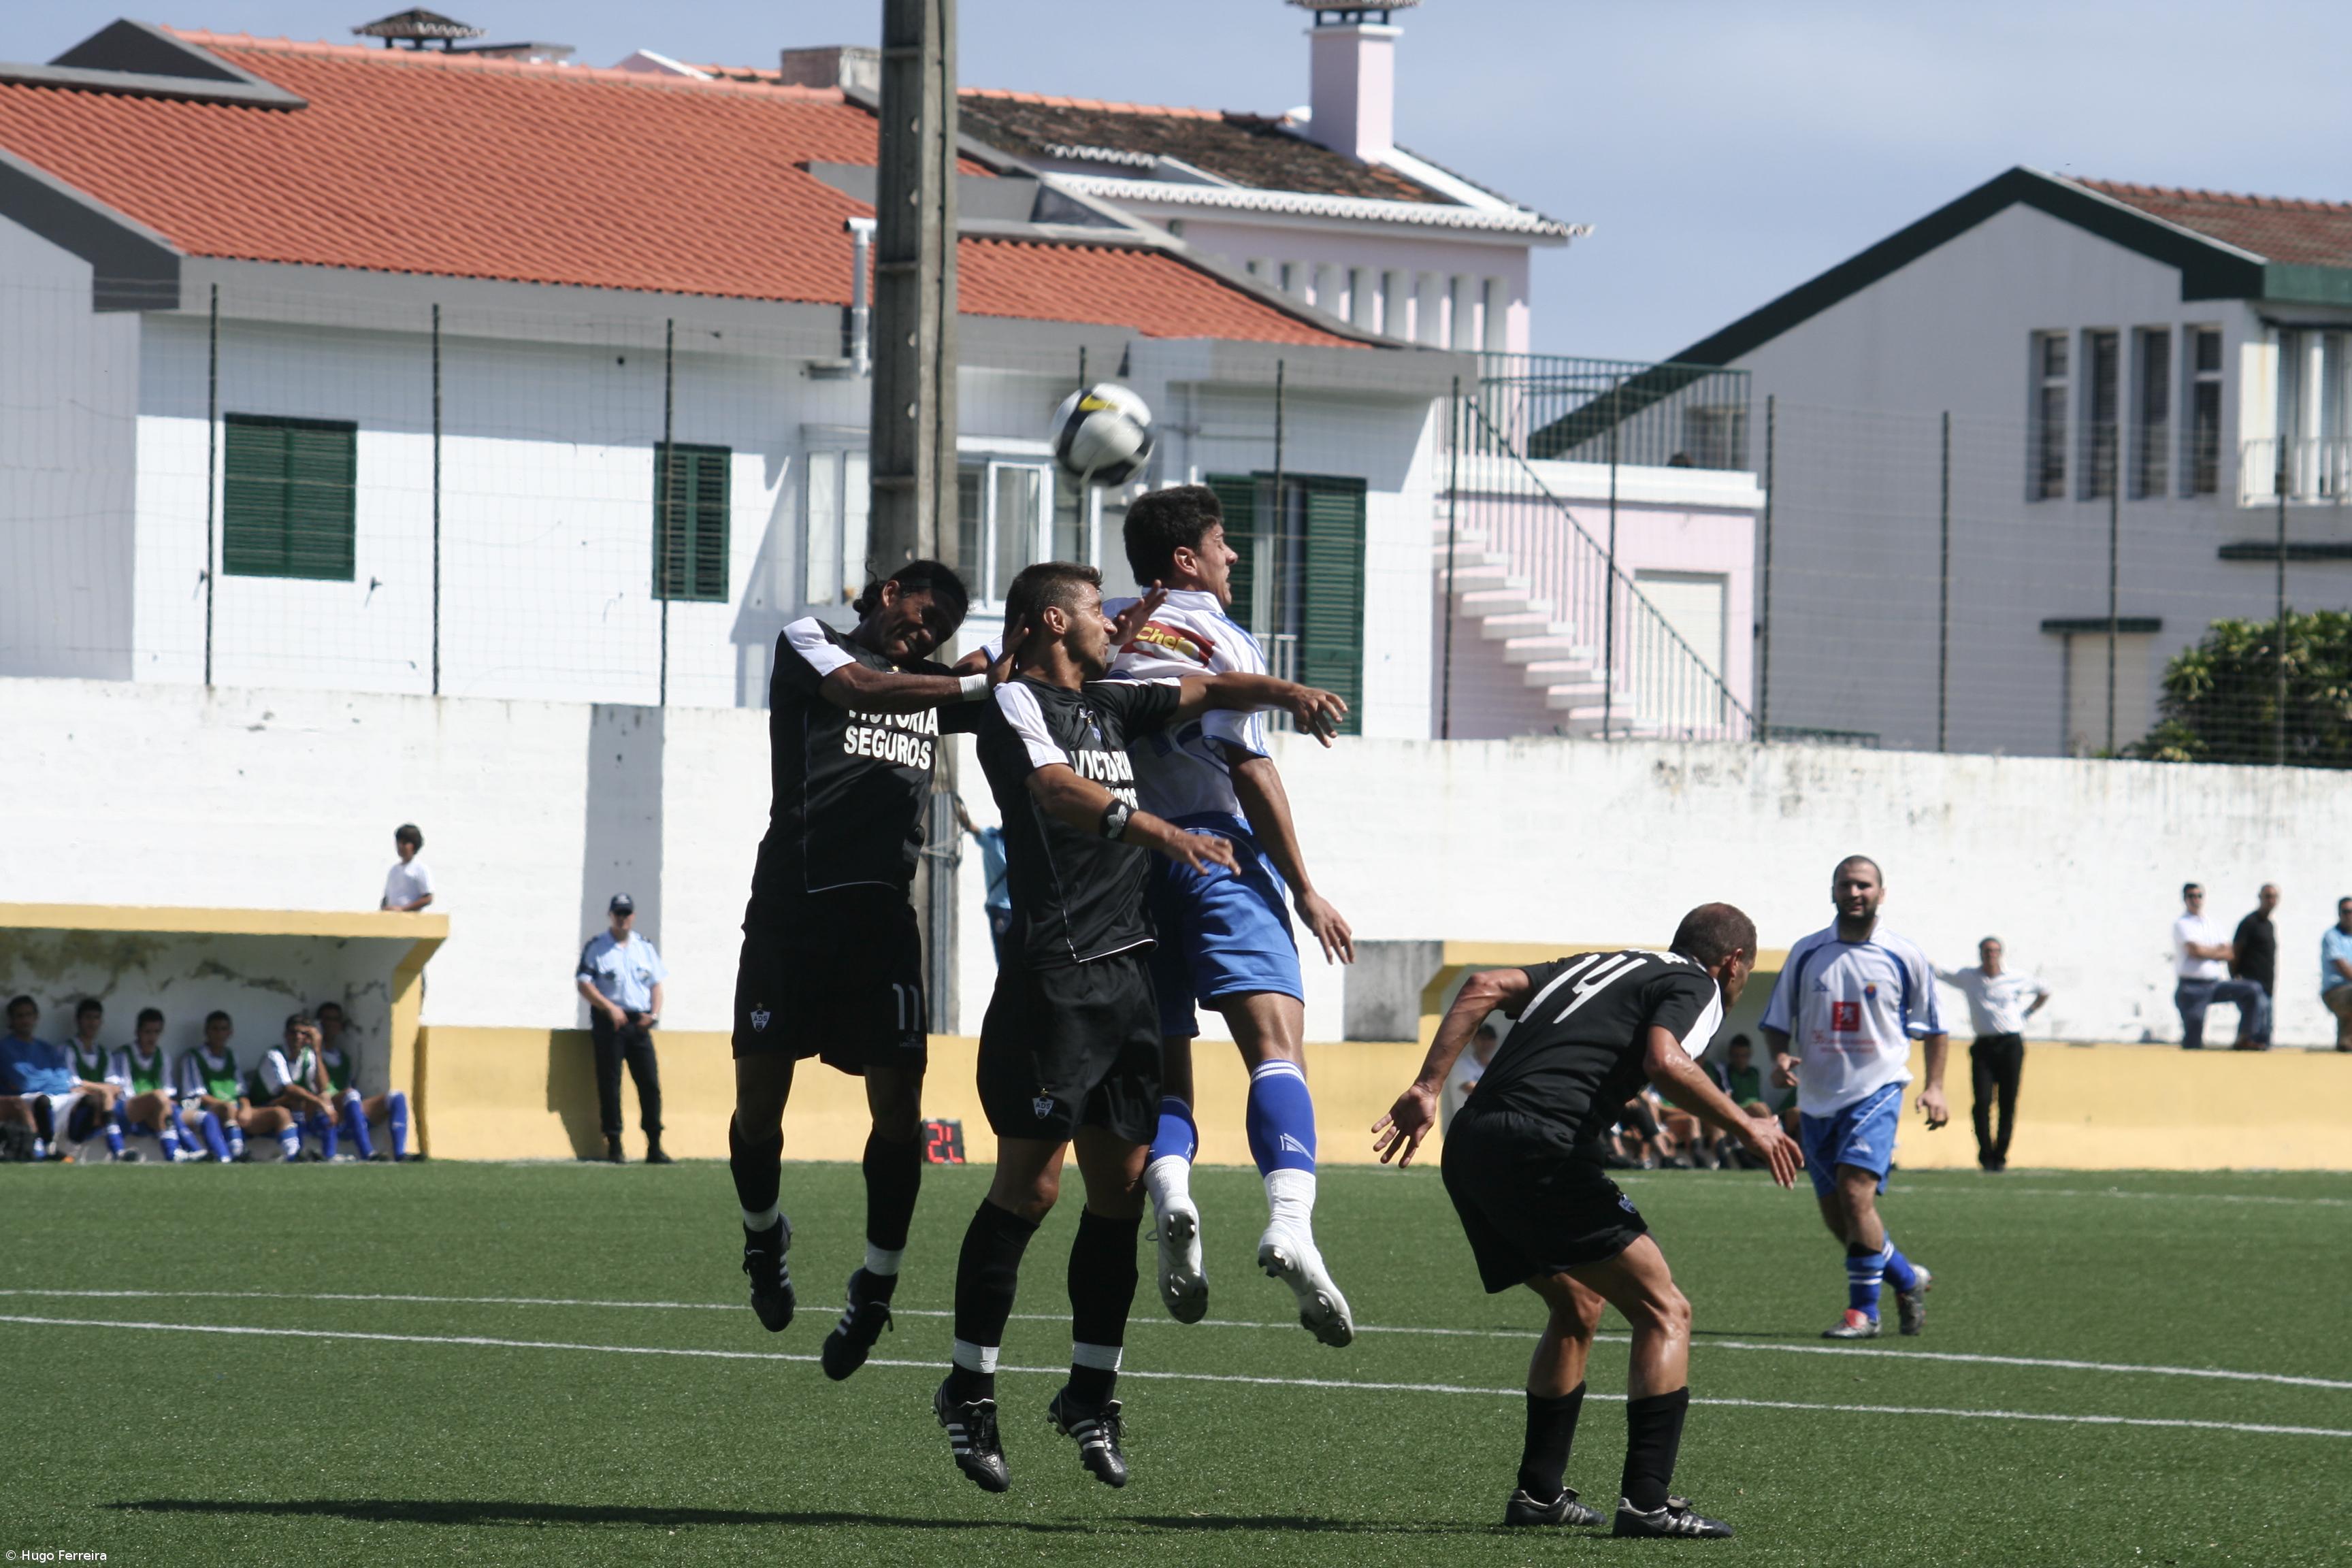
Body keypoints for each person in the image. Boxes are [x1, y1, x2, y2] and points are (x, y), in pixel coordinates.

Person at [935, 559, 1345, 1494]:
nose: (1109, 628)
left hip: (1127, 984)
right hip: (1055, 980)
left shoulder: (1116, 706)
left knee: (1120, 1196)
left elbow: (1205, 687)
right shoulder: (1016, 704)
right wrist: (1161, 831)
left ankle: (1090, 1393)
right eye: (1094, 616)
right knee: (1030, 1191)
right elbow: (1051, 792)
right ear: (1049, 623)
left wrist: (1285, 690)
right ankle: (968, 1389)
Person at [1373, 906, 1801, 1540]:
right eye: (1743, 976)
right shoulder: (1698, 983)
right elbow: (1664, 1059)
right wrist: (1749, 1124)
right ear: (1734, 963)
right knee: (1666, 1310)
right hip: (1541, 1145)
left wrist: (1428, 1086)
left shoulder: (1598, 965)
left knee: (1577, 1306)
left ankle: (1540, 1494)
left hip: (1472, 1144)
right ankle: (1649, 1505)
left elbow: (1481, 985)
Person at [728, 561, 1011, 1379]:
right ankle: (762, 1236)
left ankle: (876, 1289)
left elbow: (1016, 690)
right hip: (792, 912)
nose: (923, 637)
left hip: (883, 925)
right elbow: (859, 688)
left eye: (937, 635)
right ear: (889, 594)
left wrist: (1049, 653)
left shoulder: (929, 687)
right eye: (920, 618)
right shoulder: (810, 643)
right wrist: (962, 684)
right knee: (759, 1108)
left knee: (899, 1112)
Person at [1091, 485, 1358, 1345]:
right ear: (1187, 559)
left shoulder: (1111, 629)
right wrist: (1305, 884)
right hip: (1210, 850)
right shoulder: (1215, 633)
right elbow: (1247, 766)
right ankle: (1289, 1220)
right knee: (1275, 1050)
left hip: (1124, 864)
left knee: (1171, 1071)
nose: (1232, 556)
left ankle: (1173, 1195)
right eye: (1221, 542)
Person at [1760, 855, 1947, 1341]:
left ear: (1881, 893)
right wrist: (1780, 1060)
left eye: (1864, 885)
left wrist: (1935, 1086)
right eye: (1846, 884)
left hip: (1878, 1090)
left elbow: (1936, 1027)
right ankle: (1905, 1277)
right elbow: (1778, 1022)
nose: (1855, 892)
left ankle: (1864, 1313)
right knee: (1837, 1217)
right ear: (1833, 892)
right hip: (1818, 1098)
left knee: (1855, 1194)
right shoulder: (1806, 953)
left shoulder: (1905, 956)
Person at [1936, 937, 2050, 1172]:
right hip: (1984, 1046)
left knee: (2008, 1102)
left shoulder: (2015, 977)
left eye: (1995, 951)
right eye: (1987, 951)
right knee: (1983, 1101)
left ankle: (2001, 1155)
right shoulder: (1970, 977)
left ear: (2001, 954)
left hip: (2010, 1044)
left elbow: (2044, 990)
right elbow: (1941, 974)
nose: (1990, 956)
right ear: (1980, 954)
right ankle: (1985, 1155)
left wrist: (2026, 1014)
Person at [578, 895, 669, 1165]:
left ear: (633, 915)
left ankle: (654, 1144)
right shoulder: (598, 947)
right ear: (611, 915)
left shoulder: (644, 947)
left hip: (639, 1024)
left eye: (627, 913)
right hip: (610, 1023)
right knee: (611, 1084)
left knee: (650, 1084)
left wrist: (653, 1014)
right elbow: (584, 983)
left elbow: (657, 984)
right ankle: (615, 1143)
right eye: (618, 913)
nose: (623, 917)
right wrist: (609, 1008)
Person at [175, 1011, 300, 1163]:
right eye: (215, 1029)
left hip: (235, 1110)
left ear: (230, 1033)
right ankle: (237, 1153)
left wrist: (246, 1108)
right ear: (206, 1031)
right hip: (210, 1110)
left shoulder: (231, 1056)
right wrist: (229, 1107)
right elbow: (197, 1095)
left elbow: (241, 1092)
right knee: (228, 1109)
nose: (219, 1034)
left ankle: (294, 1155)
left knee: (281, 1113)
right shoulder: (193, 1057)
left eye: (223, 1029)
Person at [2172, 883, 2267, 1049]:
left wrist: (2206, 951)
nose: (2196, 900)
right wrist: (2216, 952)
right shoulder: (2182, 924)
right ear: (2185, 899)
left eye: (2199, 896)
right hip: (2192, 987)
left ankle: (2245, 1038)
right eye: (2191, 896)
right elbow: (2195, 951)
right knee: (2193, 1038)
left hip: (2214, 984)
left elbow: (2229, 953)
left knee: (2252, 990)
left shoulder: (2212, 924)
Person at [0, 995, 91, 1160]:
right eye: (20, 1016)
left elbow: (64, 1080)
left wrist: (43, 1080)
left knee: (88, 1100)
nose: (25, 1020)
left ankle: (73, 1146)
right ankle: (47, 1147)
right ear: (12, 1020)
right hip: (25, 1098)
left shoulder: (46, 1048)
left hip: (54, 1095)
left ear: (36, 1017)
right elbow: (24, 1082)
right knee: (42, 1100)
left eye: (29, 1015)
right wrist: (48, 1078)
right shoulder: (5, 1048)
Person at [317, 1002, 410, 1161]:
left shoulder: (343, 1057)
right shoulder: (312, 1055)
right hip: (324, 1109)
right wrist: (316, 1048)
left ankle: (400, 1153)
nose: (332, 1024)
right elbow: (322, 1088)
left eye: (336, 1020)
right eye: (327, 1019)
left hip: (347, 1108)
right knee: (351, 1095)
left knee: (396, 1096)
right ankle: (367, 1153)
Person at [249, 1012, 340, 1160]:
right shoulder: (274, 1055)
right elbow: (289, 1089)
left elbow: (323, 1087)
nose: (298, 1037)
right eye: (293, 1032)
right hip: (263, 1107)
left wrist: (317, 1051)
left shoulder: (308, 1055)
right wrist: (319, 1102)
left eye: (304, 1034)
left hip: (292, 1108)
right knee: (300, 1100)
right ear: (286, 1034)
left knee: (324, 1098)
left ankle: (329, 1155)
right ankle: (298, 1152)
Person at [112, 1007, 197, 1163]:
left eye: (156, 1032)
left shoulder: (162, 1056)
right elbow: (123, 1093)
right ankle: (189, 1150)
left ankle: (186, 1153)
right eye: (147, 1032)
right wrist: (157, 1101)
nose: (152, 1037)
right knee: (159, 1098)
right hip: (130, 1108)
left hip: (157, 1108)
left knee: (199, 1115)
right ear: (138, 1032)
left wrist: (162, 1101)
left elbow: (169, 1091)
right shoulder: (123, 1054)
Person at [63, 998, 131, 1160]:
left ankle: (118, 1147)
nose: (92, 1023)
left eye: (96, 1018)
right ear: (78, 1020)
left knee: (122, 1103)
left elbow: (115, 1085)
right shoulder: (67, 1048)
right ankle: (117, 1148)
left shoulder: (103, 1053)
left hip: (101, 1101)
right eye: (88, 1017)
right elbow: (71, 1084)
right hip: (77, 1103)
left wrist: (100, 1089)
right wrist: (102, 1089)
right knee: (97, 1099)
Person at [957, 795, 1015, 970]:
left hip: (1013, 909)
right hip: (1001, 909)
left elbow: (969, 826)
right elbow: (970, 826)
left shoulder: (994, 840)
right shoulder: (994, 840)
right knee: (1006, 959)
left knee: (1011, 959)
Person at [2229, 885, 2279, 1050]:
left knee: (2265, 1033)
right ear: (2260, 898)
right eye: (2267, 896)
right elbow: (2236, 950)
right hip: (2252, 984)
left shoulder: (2269, 925)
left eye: (2274, 897)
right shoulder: (2249, 923)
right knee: (2253, 1032)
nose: (2271, 900)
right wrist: (2235, 975)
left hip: (2267, 986)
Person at [1440, 1021, 1501, 1131]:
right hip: (1468, 1124)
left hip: (1491, 1125)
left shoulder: (1496, 1066)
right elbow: (1475, 1090)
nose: (1486, 1043)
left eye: (1490, 1039)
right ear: (1474, 1040)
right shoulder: (1462, 1065)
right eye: (1482, 1038)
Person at [2323, 898, 2352, 1051]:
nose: (2349, 915)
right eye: (2346, 912)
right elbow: (2343, 968)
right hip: (2335, 992)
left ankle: (2345, 1043)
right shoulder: (2332, 936)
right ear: (2339, 913)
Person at [382, 824, 434, 912]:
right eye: (398, 843)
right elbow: (386, 898)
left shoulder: (420, 869)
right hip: (392, 921)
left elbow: (428, 898)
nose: (400, 846)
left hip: (411, 921)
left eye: (404, 843)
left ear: (414, 845)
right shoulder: (394, 870)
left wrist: (403, 909)